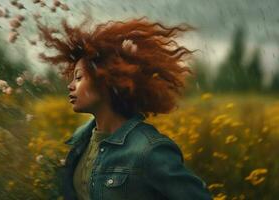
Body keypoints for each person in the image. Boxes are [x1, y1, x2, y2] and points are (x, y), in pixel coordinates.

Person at [39, 17, 213, 200]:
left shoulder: (149, 151)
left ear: (104, 79)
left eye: (79, 77)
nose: (70, 86)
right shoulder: (80, 143)